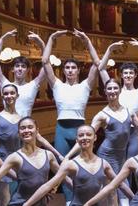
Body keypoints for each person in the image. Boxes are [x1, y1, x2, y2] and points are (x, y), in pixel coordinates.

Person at [0, 83, 59, 204]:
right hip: (3, 159)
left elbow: (40, 138)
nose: (9, 96)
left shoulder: (22, 120)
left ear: (17, 96)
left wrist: (59, 155)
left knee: (20, 192)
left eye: (12, 93)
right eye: (6, 93)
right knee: (0, 198)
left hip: (21, 160)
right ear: (2, 96)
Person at [42, 28, 100, 199]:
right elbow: (45, 61)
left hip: (79, 128)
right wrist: (52, 38)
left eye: (73, 67)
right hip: (61, 128)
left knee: (81, 165)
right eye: (67, 67)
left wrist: (87, 41)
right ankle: (69, 200)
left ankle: (83, 198)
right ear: (64, 70)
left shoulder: (85, 86)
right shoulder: (57, 85)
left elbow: (97, 64)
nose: (70, 70)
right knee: (63, 166)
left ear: (78, 70)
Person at [23, 123, 132, 206]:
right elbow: (48, 185)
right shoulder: (71, 164)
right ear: (77, 140)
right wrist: (27, 204)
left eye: (89, 134)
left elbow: (121, 184)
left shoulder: (104, 164)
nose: (85, 137)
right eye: (81, 135)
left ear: (95, 138)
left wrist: (136, 199)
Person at [86, 79, 138, 203]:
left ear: (120, 90)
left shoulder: (129, 111)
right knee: (109, 191)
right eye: (109, 88)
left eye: (115, 88)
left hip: (121, 157)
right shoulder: (101, 115)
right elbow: (87, 136)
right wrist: (72, 155)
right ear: (105, 91)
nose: (112, 91)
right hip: (106, 156)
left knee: (123, 188)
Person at [100, 39, 138, 157]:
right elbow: (102, 69)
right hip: (116, 130)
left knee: (131, 163)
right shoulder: (115, 90)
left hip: (133, 132)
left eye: (131, 73)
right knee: (116, 163)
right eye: (125, 73)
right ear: (121, 75)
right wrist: (110, 49)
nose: (128, 75)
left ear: (135, 75)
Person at [0, 29, 54, 117]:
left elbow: (46, 65)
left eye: (23, 66)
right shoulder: (6, 84)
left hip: (25, 127)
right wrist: (2, 39)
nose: (20, 69)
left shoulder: (32, 85)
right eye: (17, 66)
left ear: (28, 70)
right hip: (8, 127)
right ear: (13, 69)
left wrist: (42, 45)